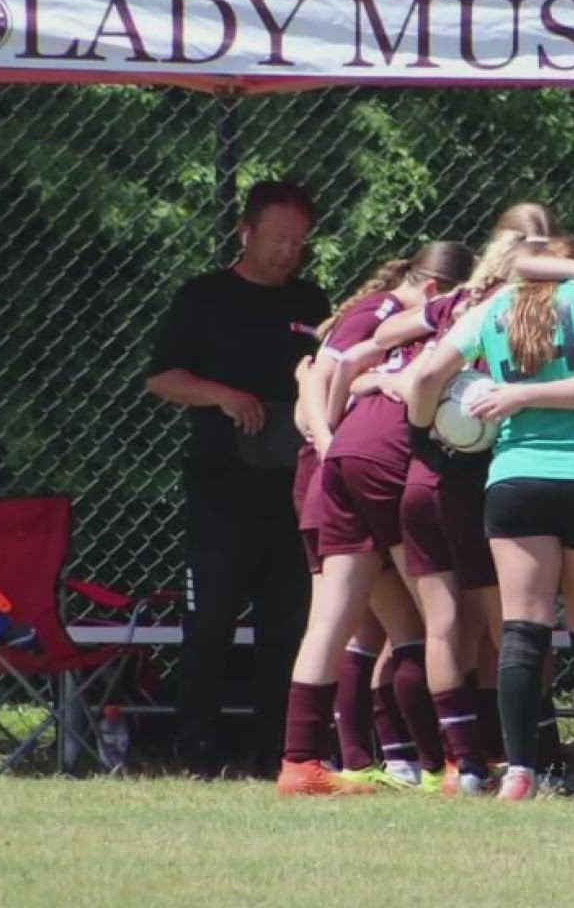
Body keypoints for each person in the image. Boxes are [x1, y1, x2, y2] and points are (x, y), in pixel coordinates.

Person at [404, 235, 574, 801]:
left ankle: (520, 774)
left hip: (515, 478)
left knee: (522, 630)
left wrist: (426, 435)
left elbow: (423, 380)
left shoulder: (491, 307)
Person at [273, 242, 473, 796]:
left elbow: (349, 371)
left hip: (340, 469)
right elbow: (319, 381)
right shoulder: (384, 308)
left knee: (358, 623)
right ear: (436, 289)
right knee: (436, 616)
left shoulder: (399, 324)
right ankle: (456, 764)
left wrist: (344, 426)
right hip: (356, 465)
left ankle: (303, 762)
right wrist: (331, 437)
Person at [146, 180, 326, 779]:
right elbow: (163, 379)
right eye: (277, 238)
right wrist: (224, 396)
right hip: (221, 491)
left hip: (290, 491)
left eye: (298, 241)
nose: (287, 252)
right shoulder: (205, 297)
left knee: (286, 626)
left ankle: (277, 751)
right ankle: (196, 748)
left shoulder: (310, 300)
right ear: (245, 232)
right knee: (212, 620)